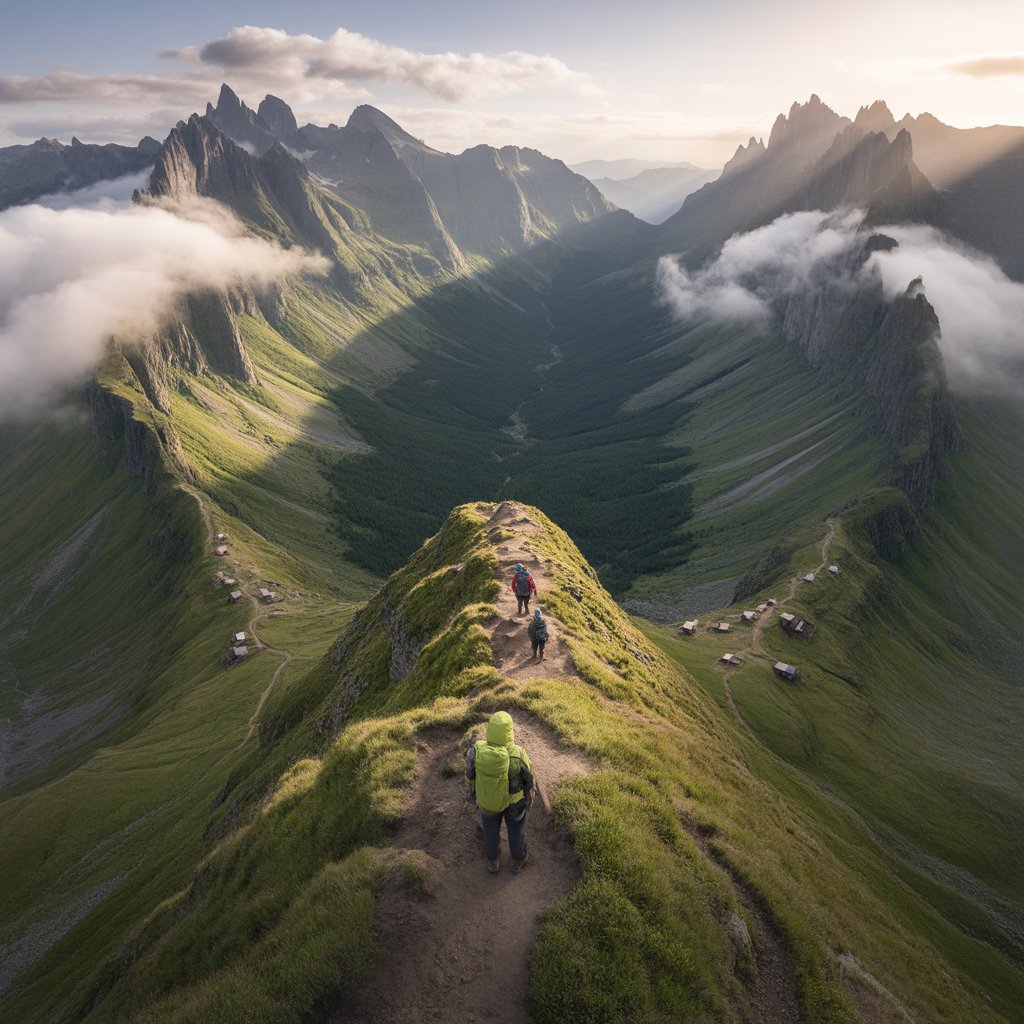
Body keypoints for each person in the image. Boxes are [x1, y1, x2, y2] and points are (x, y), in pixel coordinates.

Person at [465, 710, 536, 874]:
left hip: (487, 800)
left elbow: (470, 774)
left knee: (490, 832)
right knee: (516, 831)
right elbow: (529, 779)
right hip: (514, 803)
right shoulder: (518, 753)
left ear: (490, 729)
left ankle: (493, 862)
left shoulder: (477, 750)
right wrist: (530, 796)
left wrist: (472, 789)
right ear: (509, 731)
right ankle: (518, 860)